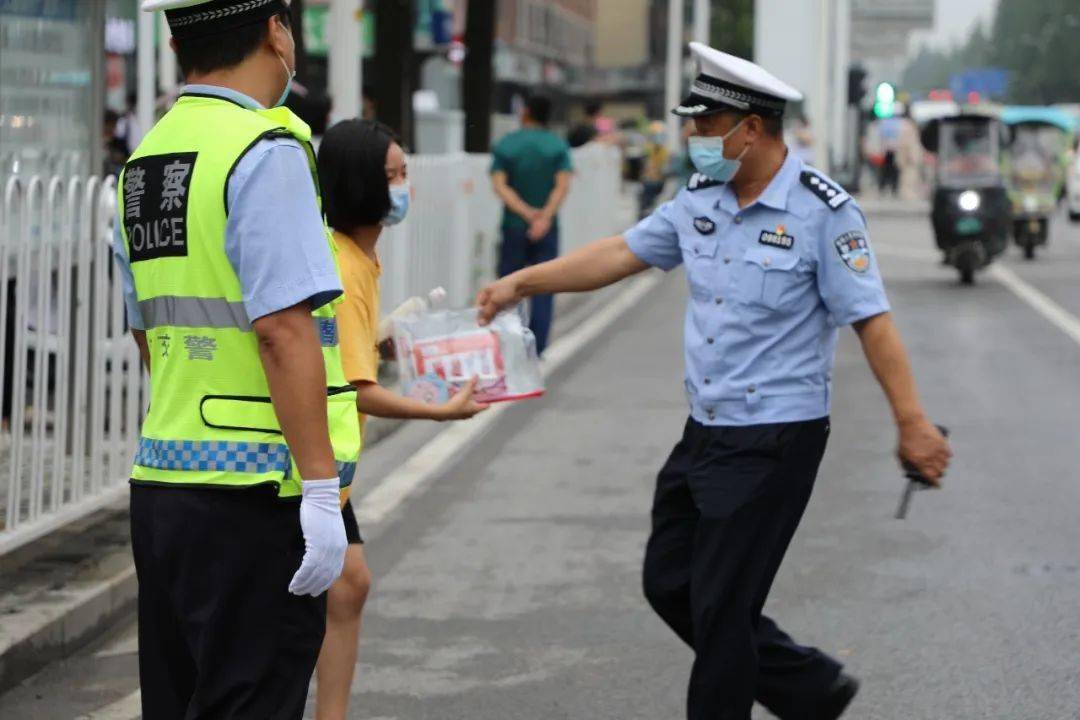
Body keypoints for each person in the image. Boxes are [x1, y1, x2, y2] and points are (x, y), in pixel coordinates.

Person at [477, 42, 952, 720]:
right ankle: (808, 688)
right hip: (705, 428)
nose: (693, 137)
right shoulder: (701, 198)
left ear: (750, 129)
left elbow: (871, 321)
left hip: (775, 436)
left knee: (722, 609)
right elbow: (620, 253)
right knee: (669, 580)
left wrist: (912, 421)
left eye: (705, 124)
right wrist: (522, 282)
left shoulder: (823, 211)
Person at [112, 1, 360, 717]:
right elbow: (283, 330)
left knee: (179, 698)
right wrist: (321, 491)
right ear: (276, 32)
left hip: (164, 480)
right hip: (255, 491)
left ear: (175, 45)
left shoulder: (146, 160)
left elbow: (146, 329)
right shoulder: (263, 150)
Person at [312, 118, 488, 720]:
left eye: (405, 172)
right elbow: (355, 388)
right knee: (330, 592)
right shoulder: (343, 267)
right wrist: (436, 411)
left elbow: (343, 357)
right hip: (309, 467)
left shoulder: (357, 257)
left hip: (326, 466)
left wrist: (380, 341)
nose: (403, 186)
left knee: (348, 586)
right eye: (392, 175)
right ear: (359, 184)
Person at [490, 95, 573, 355]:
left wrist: (526, 214)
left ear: (526, 112)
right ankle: (537, 348)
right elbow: (562, 186)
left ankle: (510, 345)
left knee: (509, 287)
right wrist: (544, 217)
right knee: (545, 285)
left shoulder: (507, 144)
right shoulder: (557, 145)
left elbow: (500, 186)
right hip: (547, 228)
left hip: (514, 225)